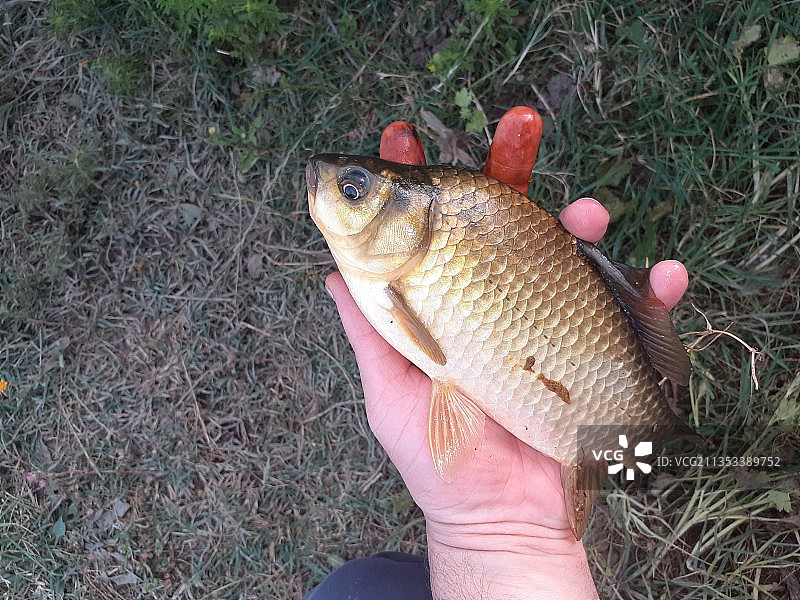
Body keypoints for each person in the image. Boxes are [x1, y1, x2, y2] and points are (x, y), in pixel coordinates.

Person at [305, 107, 689, 600]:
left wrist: (488, 534)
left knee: (351, 587)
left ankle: (676, 454)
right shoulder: (395, 267)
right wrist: (488, 531)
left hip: (607, 398)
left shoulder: (397, 270)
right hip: (583, 426)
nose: (327, 180)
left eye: (352, 189)